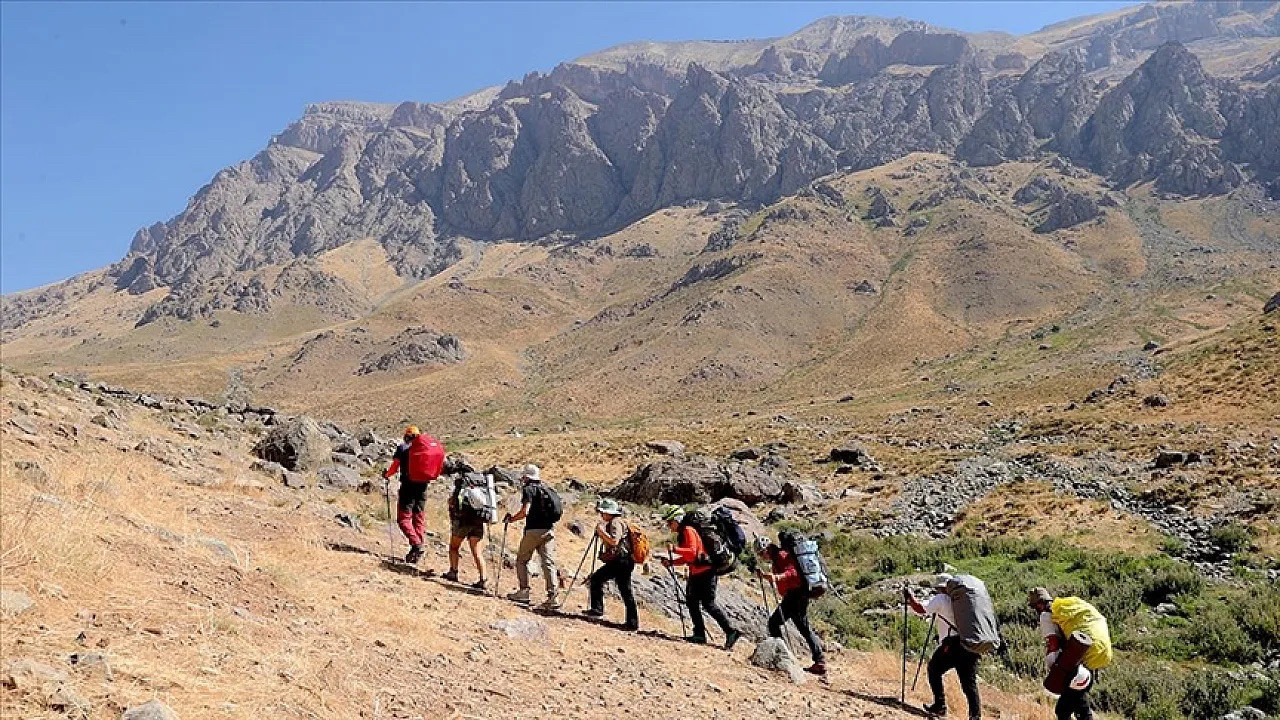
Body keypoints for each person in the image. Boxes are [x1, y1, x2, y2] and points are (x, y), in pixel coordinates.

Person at [658, 504, 741, 650]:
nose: (669, 525)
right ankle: (699, 634)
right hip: (697, 572)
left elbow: (691, 552)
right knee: (692, 602)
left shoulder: (688, 530)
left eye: (670, 522)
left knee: (708, 604)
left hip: (706, 572)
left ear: (677, 520)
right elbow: (689, 558)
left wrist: (674, 549)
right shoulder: (683, 532)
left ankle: (730, 631)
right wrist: (671, 563)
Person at [1028, 588, 1112, 720]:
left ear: (1039, 604)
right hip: (1094, 657)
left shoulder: (1046, 615)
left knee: (1063, 710)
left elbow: (1052, 643)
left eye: (1034, 607)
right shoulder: (1066, 609)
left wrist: (1055, 669)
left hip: (1075, 665)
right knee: (1079, 702)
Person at [908, 574, 981, 720]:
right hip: (969, 644)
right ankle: (975, 716)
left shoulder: (941, 599)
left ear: (941, 587)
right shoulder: (963, 601)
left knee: (934, 669)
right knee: (969, 684)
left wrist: (910, 598)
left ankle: (940, 705)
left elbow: (921, 609)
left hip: (952, 645)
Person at [755, 536, 825, 676]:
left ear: (767, 549)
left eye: (762, 553)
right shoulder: (777, 558)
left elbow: (793, 573)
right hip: (796, 595)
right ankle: (819, 661)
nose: (762, 557)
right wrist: (765, 576)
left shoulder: (782, 555)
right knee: (803, 628)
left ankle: (782, 655)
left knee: (774, 623)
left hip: (795, 595)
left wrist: (777, 577)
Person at [503, 465, 560, 609]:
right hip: (549, 531)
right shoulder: (547, 489)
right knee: (548, 563)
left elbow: (525, 511)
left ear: (527, 477)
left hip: (533, 531)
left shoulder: (529, 489)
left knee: (522, 560)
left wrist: (512, 519)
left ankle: (524, 591)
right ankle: (553, 597)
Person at [584, 498, 639, 631]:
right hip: (623, 561)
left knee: (597, 579)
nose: (601, 515)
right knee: (625, 590)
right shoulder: (616, 522)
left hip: (621, 561)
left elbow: (614, 541)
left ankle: (597, 610)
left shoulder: (616, 522)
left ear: (609, 513)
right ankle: (631, 623)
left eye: (603, 512)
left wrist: (601, 532)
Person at [382, 426, 428, 564]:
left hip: (408, 487)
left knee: (404, 519)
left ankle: (416, 544)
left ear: (407, 436)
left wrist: (387, 475)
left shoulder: (403, 448)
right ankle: (417, 547)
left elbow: (394, 467)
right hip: (423, 487)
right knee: (418, 518)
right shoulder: (424, 449)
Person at [441, 474, 487, 590]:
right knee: (477, 552)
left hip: (463, 522)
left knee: (454, 547)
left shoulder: (461, 489)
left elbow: (452, 503)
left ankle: (453, 571)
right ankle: (483, 579)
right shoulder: (480, 490)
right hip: (478, 522)